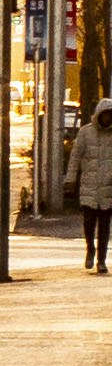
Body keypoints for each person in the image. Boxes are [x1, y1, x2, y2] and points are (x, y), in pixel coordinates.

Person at [76, 97, 112, 273]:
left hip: (108, 188)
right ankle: (90, 247)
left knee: (105, 226)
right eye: (105, 115)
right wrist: (69, 179)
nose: (108, 119)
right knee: (89, 222)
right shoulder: (85, 133)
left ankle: (102, 260)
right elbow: (75, 156)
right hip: (89, 185)